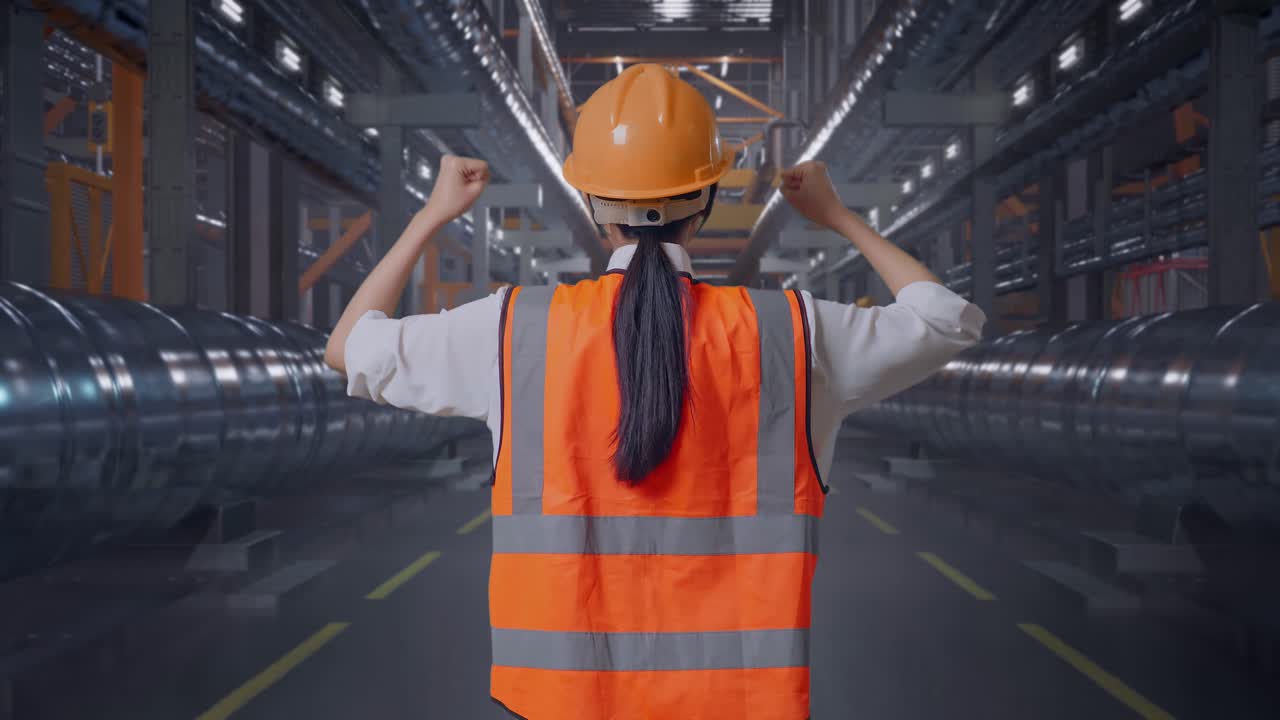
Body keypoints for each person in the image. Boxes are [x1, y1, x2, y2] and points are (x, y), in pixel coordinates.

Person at [325, 64, 984, 720]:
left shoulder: (510, 329)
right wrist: (839, 216)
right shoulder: (792, 333)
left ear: (590, 202)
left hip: (562, 705)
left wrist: (432, 215)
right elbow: (944, 320)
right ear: (707, 198)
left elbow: (346, 347)